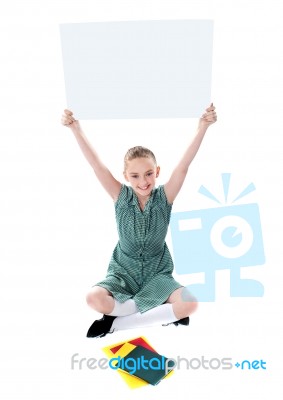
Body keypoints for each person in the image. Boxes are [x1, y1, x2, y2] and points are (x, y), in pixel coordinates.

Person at [61, 104, 217, 338]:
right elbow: (96, 165)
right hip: (123, 273)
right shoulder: (120, 196)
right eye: (135, 176)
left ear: (157, 172)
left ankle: (115, 324)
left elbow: (183, 167)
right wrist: (76, 128)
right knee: (93, 298)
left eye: (148, 174)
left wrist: (202, 127)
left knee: (191, 304)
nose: (143, 181)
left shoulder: (165, 197)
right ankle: (160, 312)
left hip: (157, 274)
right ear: (126, 177)